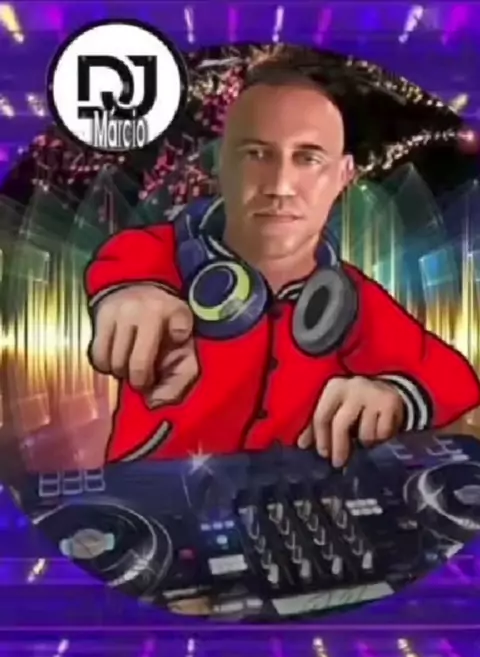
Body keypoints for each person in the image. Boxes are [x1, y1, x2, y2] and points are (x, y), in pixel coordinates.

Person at [84, 62, 480, 468]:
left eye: (308, 158)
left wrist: (395, 397)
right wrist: (129, 297)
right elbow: (123, 267)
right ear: (221, 164)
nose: (280, 186)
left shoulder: (348, 299)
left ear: (343, 176)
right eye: (256, 154)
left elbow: (456, 380)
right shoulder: (155, 254)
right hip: (152, 499)